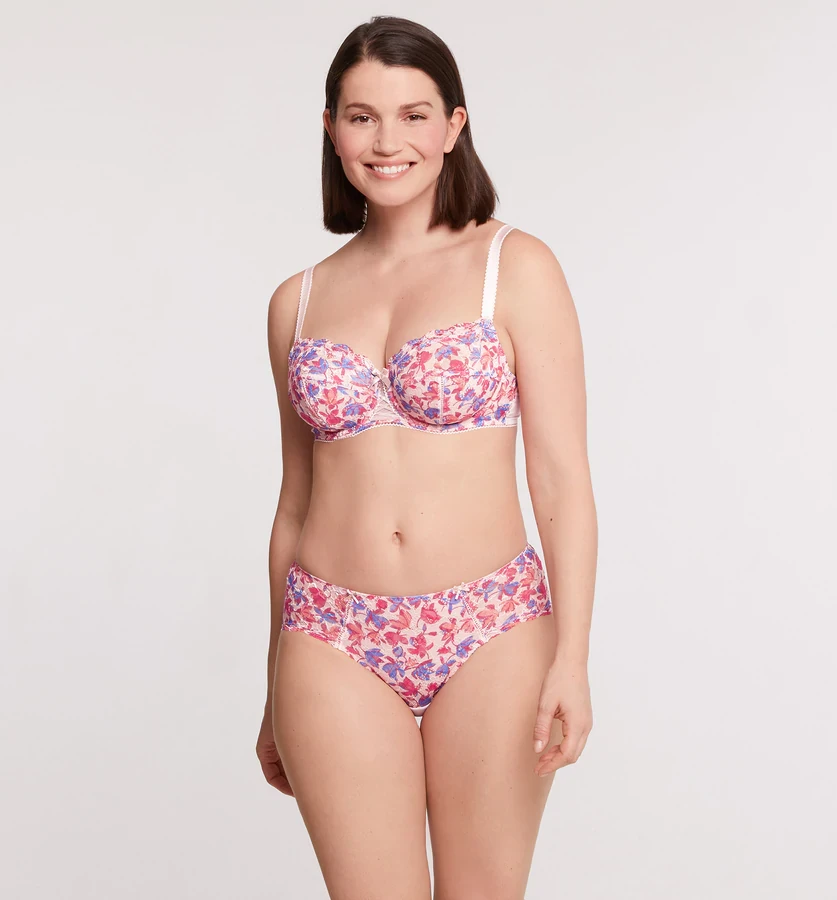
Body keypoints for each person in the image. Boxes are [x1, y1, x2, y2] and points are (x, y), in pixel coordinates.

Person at [256, 15, 598, 900]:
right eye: (361, 117)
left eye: (413, 115)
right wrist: (272, 683)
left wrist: (572, 656)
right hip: (330, 634)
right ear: (331, 129)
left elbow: (561, 479)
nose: (387, 141)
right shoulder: (298, 300)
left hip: (491, 626)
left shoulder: (515, 266)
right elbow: (294, 504)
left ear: (453, 125)